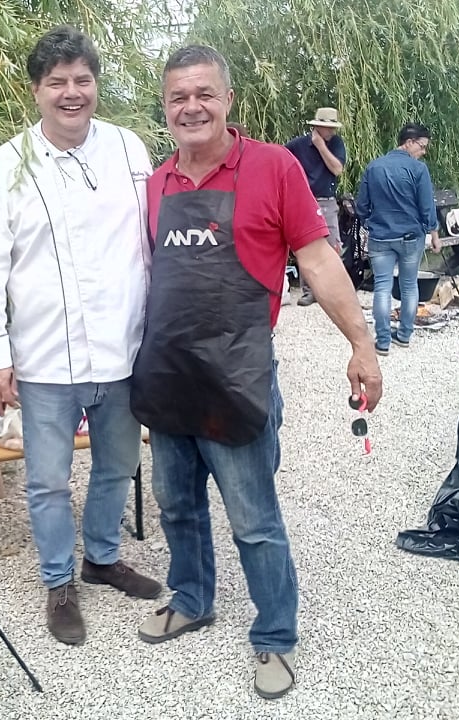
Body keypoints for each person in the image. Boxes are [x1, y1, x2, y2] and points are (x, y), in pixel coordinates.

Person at [129, 45, 383, 699]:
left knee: (254, 520)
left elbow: (319, 261)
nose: (192, 107)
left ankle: (275, 634)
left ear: (228, 100)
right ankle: (192, 599)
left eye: (204, 94)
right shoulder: (156, 184)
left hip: (238, 378)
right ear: (166, 107)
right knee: (176, 506)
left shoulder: (273, 167)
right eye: (178, 97)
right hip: (170, 376)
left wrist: (361, 343)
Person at [0, 25, 161, 646]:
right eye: (57, 83)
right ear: (36, 90)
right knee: (47, 480)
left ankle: (101, 558)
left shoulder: (128, 149)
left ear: (96, 84)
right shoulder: (5, 167)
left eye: (82, 80)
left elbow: (150, 244)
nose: (72, 93)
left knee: (118, 465)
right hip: (44, 358)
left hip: (124, 351)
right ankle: (58, 581)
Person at [355, 123, 442, 356]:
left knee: (382, 287)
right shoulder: (418, 169)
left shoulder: (374, 167)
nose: (423, 152)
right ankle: (404, 335)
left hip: (381, 237)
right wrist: (434, 234)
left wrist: (370, 222)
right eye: (422, 146)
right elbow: (427, 206)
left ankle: (383, 341)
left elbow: (361, 205)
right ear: (409, 142)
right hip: (411, 237)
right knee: (409, 285)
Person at [285, 107, 347, 306]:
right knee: (306, 246)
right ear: (317, 126)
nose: (332, 131)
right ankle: (309, 291)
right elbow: (281, 161)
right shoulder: (298, 145)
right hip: (304, 201)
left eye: (333, 127)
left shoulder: (336, 143)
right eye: (328, 127)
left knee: (333, 244)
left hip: (326, 200)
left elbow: (337, 169)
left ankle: (333, 289)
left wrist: (321, 146)